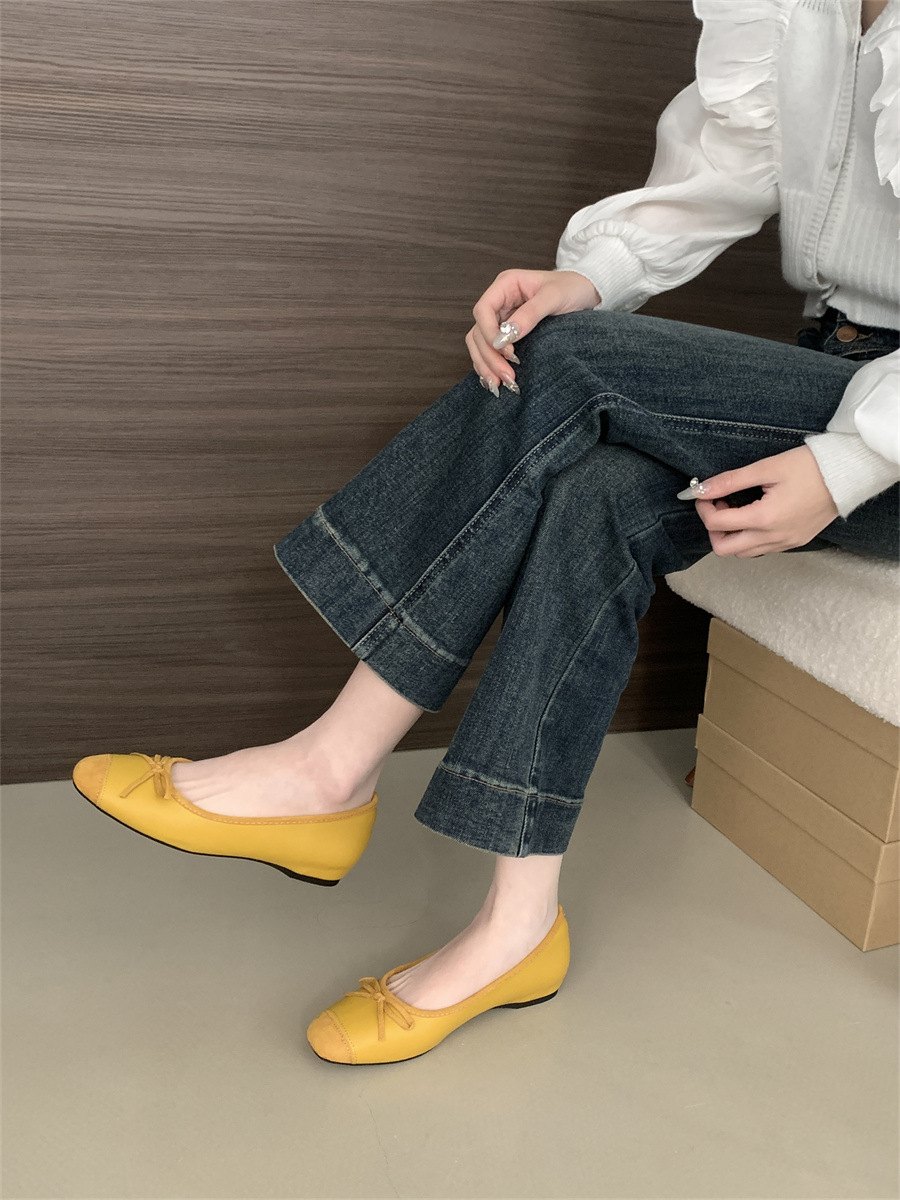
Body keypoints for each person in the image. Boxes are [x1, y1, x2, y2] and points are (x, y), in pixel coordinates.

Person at [73, 0, 899, 1065]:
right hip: (833, 365)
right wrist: (592, 275)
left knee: (569, 359)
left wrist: (857, 463)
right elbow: (733, 158)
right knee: (598, 483)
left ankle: (330, 768)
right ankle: (519, 925)